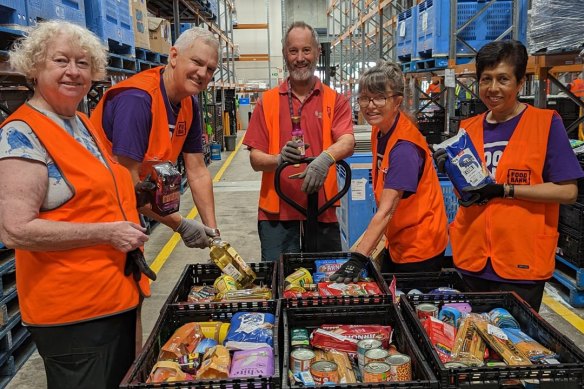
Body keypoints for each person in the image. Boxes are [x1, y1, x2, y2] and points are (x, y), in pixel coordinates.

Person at [0, 21, 150, 388]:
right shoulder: (21, 134)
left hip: (115, 295)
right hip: (74, 311)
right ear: (35, 67)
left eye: (83, 63)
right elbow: (15, 229)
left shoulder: (80, 122)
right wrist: (107, 232)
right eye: (61, 61)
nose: (73, 72)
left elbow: (96, 193)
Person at [434, 40, 583, 311]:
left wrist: (506, 190)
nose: (493, 88)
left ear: (519, 82)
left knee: (516, 346)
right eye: (486, 79)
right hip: (473, 260)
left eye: (503, 79)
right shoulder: (468, 129)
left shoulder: (545, 124)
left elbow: (568, 192)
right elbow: (471, 195)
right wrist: (452, 172)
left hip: (522, 263)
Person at [91, 27, 220, 249]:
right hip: (95, 213)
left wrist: (214, 235)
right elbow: (127, 179)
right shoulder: (137, 100)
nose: (202, 74)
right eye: (196, 62)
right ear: (173, 57)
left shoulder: (189, 104)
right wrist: (179, 224)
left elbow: (197, 170)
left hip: (129, 208)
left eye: (210, 69)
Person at [243, 21, 355, 262]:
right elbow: (255, 159)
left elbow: (347, 141)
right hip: (276, 213)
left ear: (317, 52)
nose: (300, 58)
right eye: (293, 51)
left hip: (323, 208)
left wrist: (325, 159)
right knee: (280, 282)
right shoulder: (268, 101)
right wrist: (279, 159)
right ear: (285, 54)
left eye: (306, 50)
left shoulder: (335, 100)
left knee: (324, 284)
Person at [330, 61, 448, 282]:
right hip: (397, 236)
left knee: (407, 302)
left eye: (379, 98)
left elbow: (387, 210)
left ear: (397, 101)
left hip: (420, 244)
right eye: (364, 98)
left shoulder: (404, 149)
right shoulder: (380, 130)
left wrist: (358, 258)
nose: (370, 105)